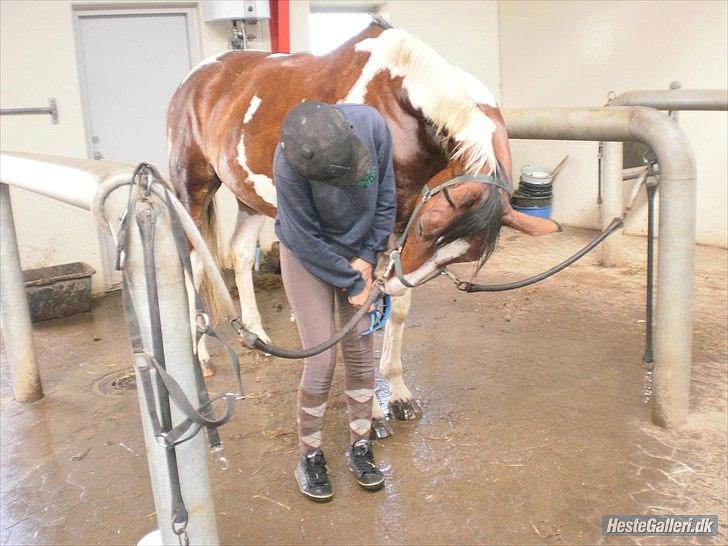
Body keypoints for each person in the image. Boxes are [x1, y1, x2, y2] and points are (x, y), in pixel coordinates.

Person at [274, 100, 396, 502]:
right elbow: (304, 237)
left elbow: (386, 200)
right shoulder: (289, 161)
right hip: (308, 255)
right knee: (322, 358)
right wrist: (351, 279)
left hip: (360, 251)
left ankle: (361, 445)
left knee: (361, 352)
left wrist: (368, 257)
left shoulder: (371, 125)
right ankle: (310, 455)